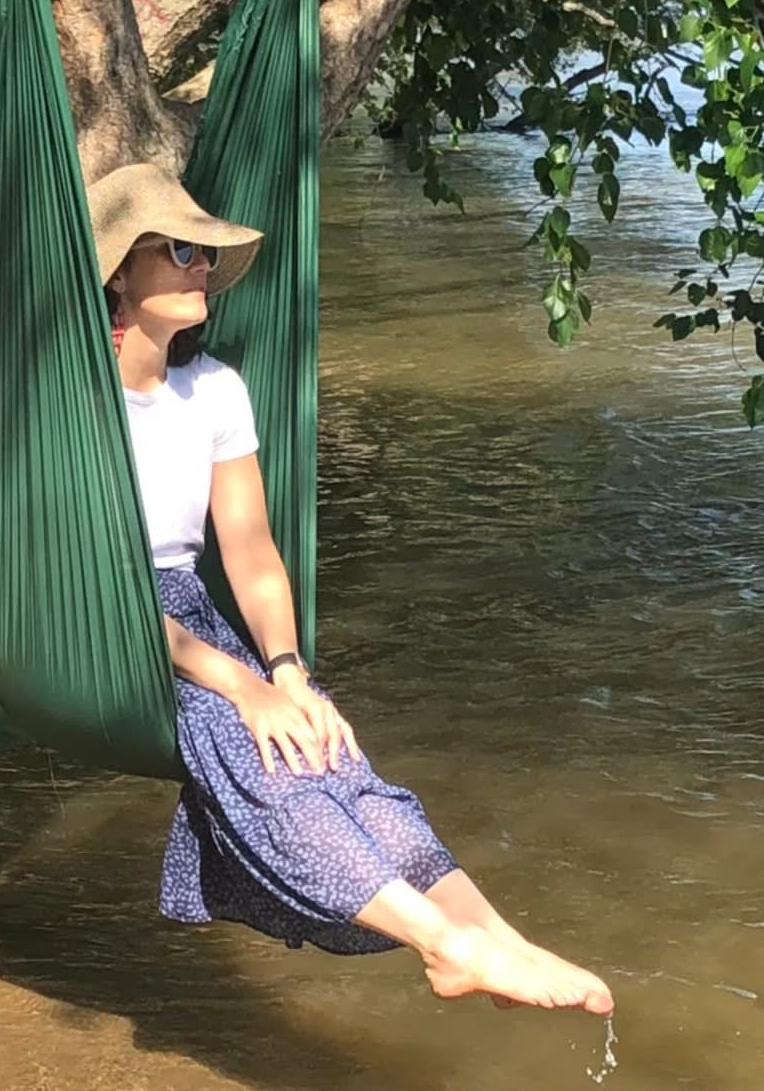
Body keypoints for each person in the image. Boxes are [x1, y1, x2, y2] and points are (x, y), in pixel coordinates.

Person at [87, 162, 611, 1013]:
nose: (201, 267)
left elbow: (250, 548)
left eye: (206, 253)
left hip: (186, 609)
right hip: (94, 611)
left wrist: (286, 671)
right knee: (244, 734)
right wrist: (239, 686)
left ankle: (490, 937)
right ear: (119, 269)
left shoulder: (214, 389)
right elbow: (89, 592)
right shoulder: (71, 405)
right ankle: (442, 943)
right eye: (180, 248)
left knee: (322, 743)